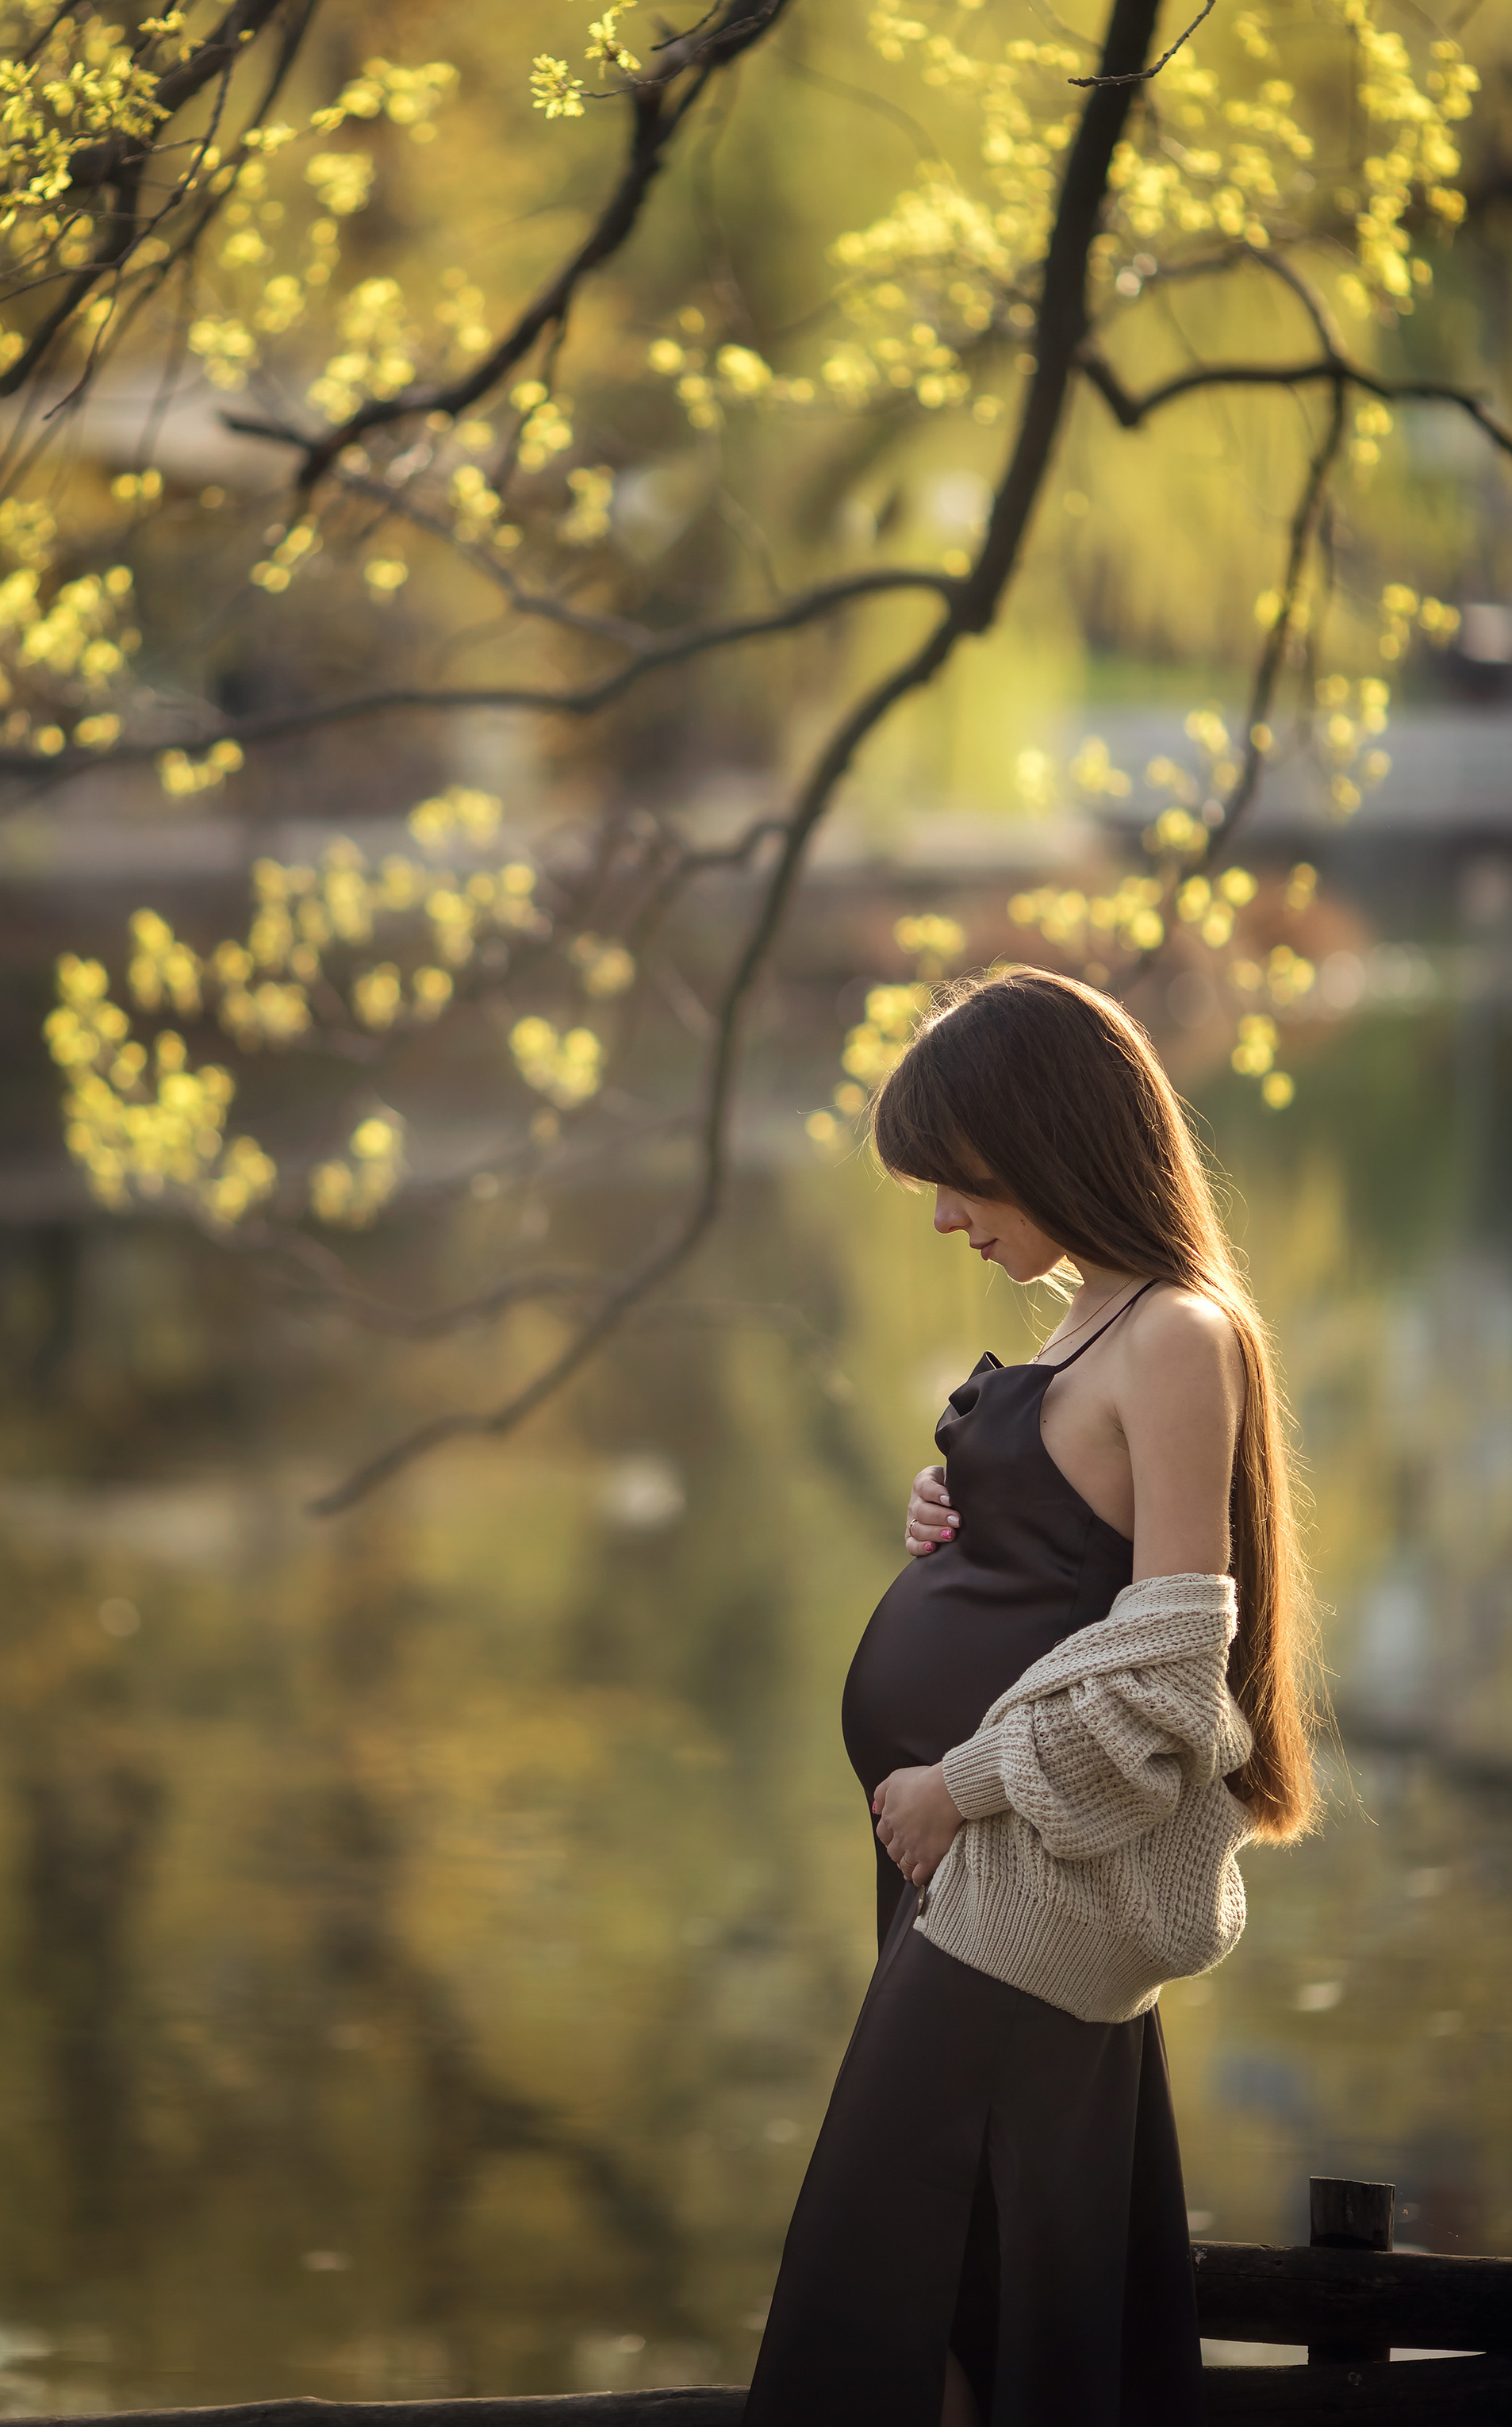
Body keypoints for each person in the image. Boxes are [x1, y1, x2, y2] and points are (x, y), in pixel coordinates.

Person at [740, 966, 1319, 2427]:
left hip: (1025, 1877)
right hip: (961, 1876)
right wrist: (966, 1513)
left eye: (963, 1176)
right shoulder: (1089, 1320)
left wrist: (962, 1782)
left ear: (1050, 1136)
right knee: (966, 2288)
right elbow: (1075, 1559)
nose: (946, 1217)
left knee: (866, 2293)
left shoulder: (1176, 1333)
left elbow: (1173, 1678)